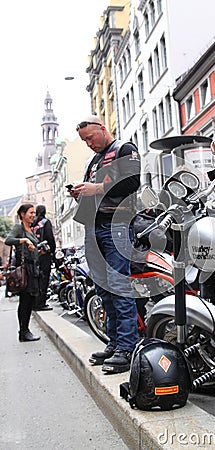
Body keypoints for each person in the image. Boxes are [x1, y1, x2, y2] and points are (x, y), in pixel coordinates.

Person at [68, 117, 140, 374]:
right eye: (84, 140)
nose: (88, 143)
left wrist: (95, 188)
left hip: (117, 225)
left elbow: (133, 182)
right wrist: (81, 192)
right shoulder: (94, 160)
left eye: (90, 137)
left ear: (102, 128)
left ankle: (128, 347)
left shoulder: (124, 149)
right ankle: (115, 343)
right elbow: (96, 191)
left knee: (119, 285)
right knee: (103, 287)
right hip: (94, 227)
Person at [5, 204, 41, 342]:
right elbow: (8, 240)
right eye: (30, 212)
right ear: (22, 214)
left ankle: (25, 330)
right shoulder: (19, 228)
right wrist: (24, 240)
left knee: (30, 301)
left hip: (33, 269)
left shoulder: (30, 229)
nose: (33, 215)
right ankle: (23, 332)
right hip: (24, 269)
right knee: (25, 301)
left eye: (34, 213)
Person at [31, 205, 56, 311]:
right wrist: (52, 251)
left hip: (33, 254)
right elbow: (50, 237)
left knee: (35, 278)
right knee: (44, 278)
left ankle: (34, 302)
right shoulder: (45, 222)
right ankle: (41, 303)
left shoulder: (33, 223)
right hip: (44, 254)